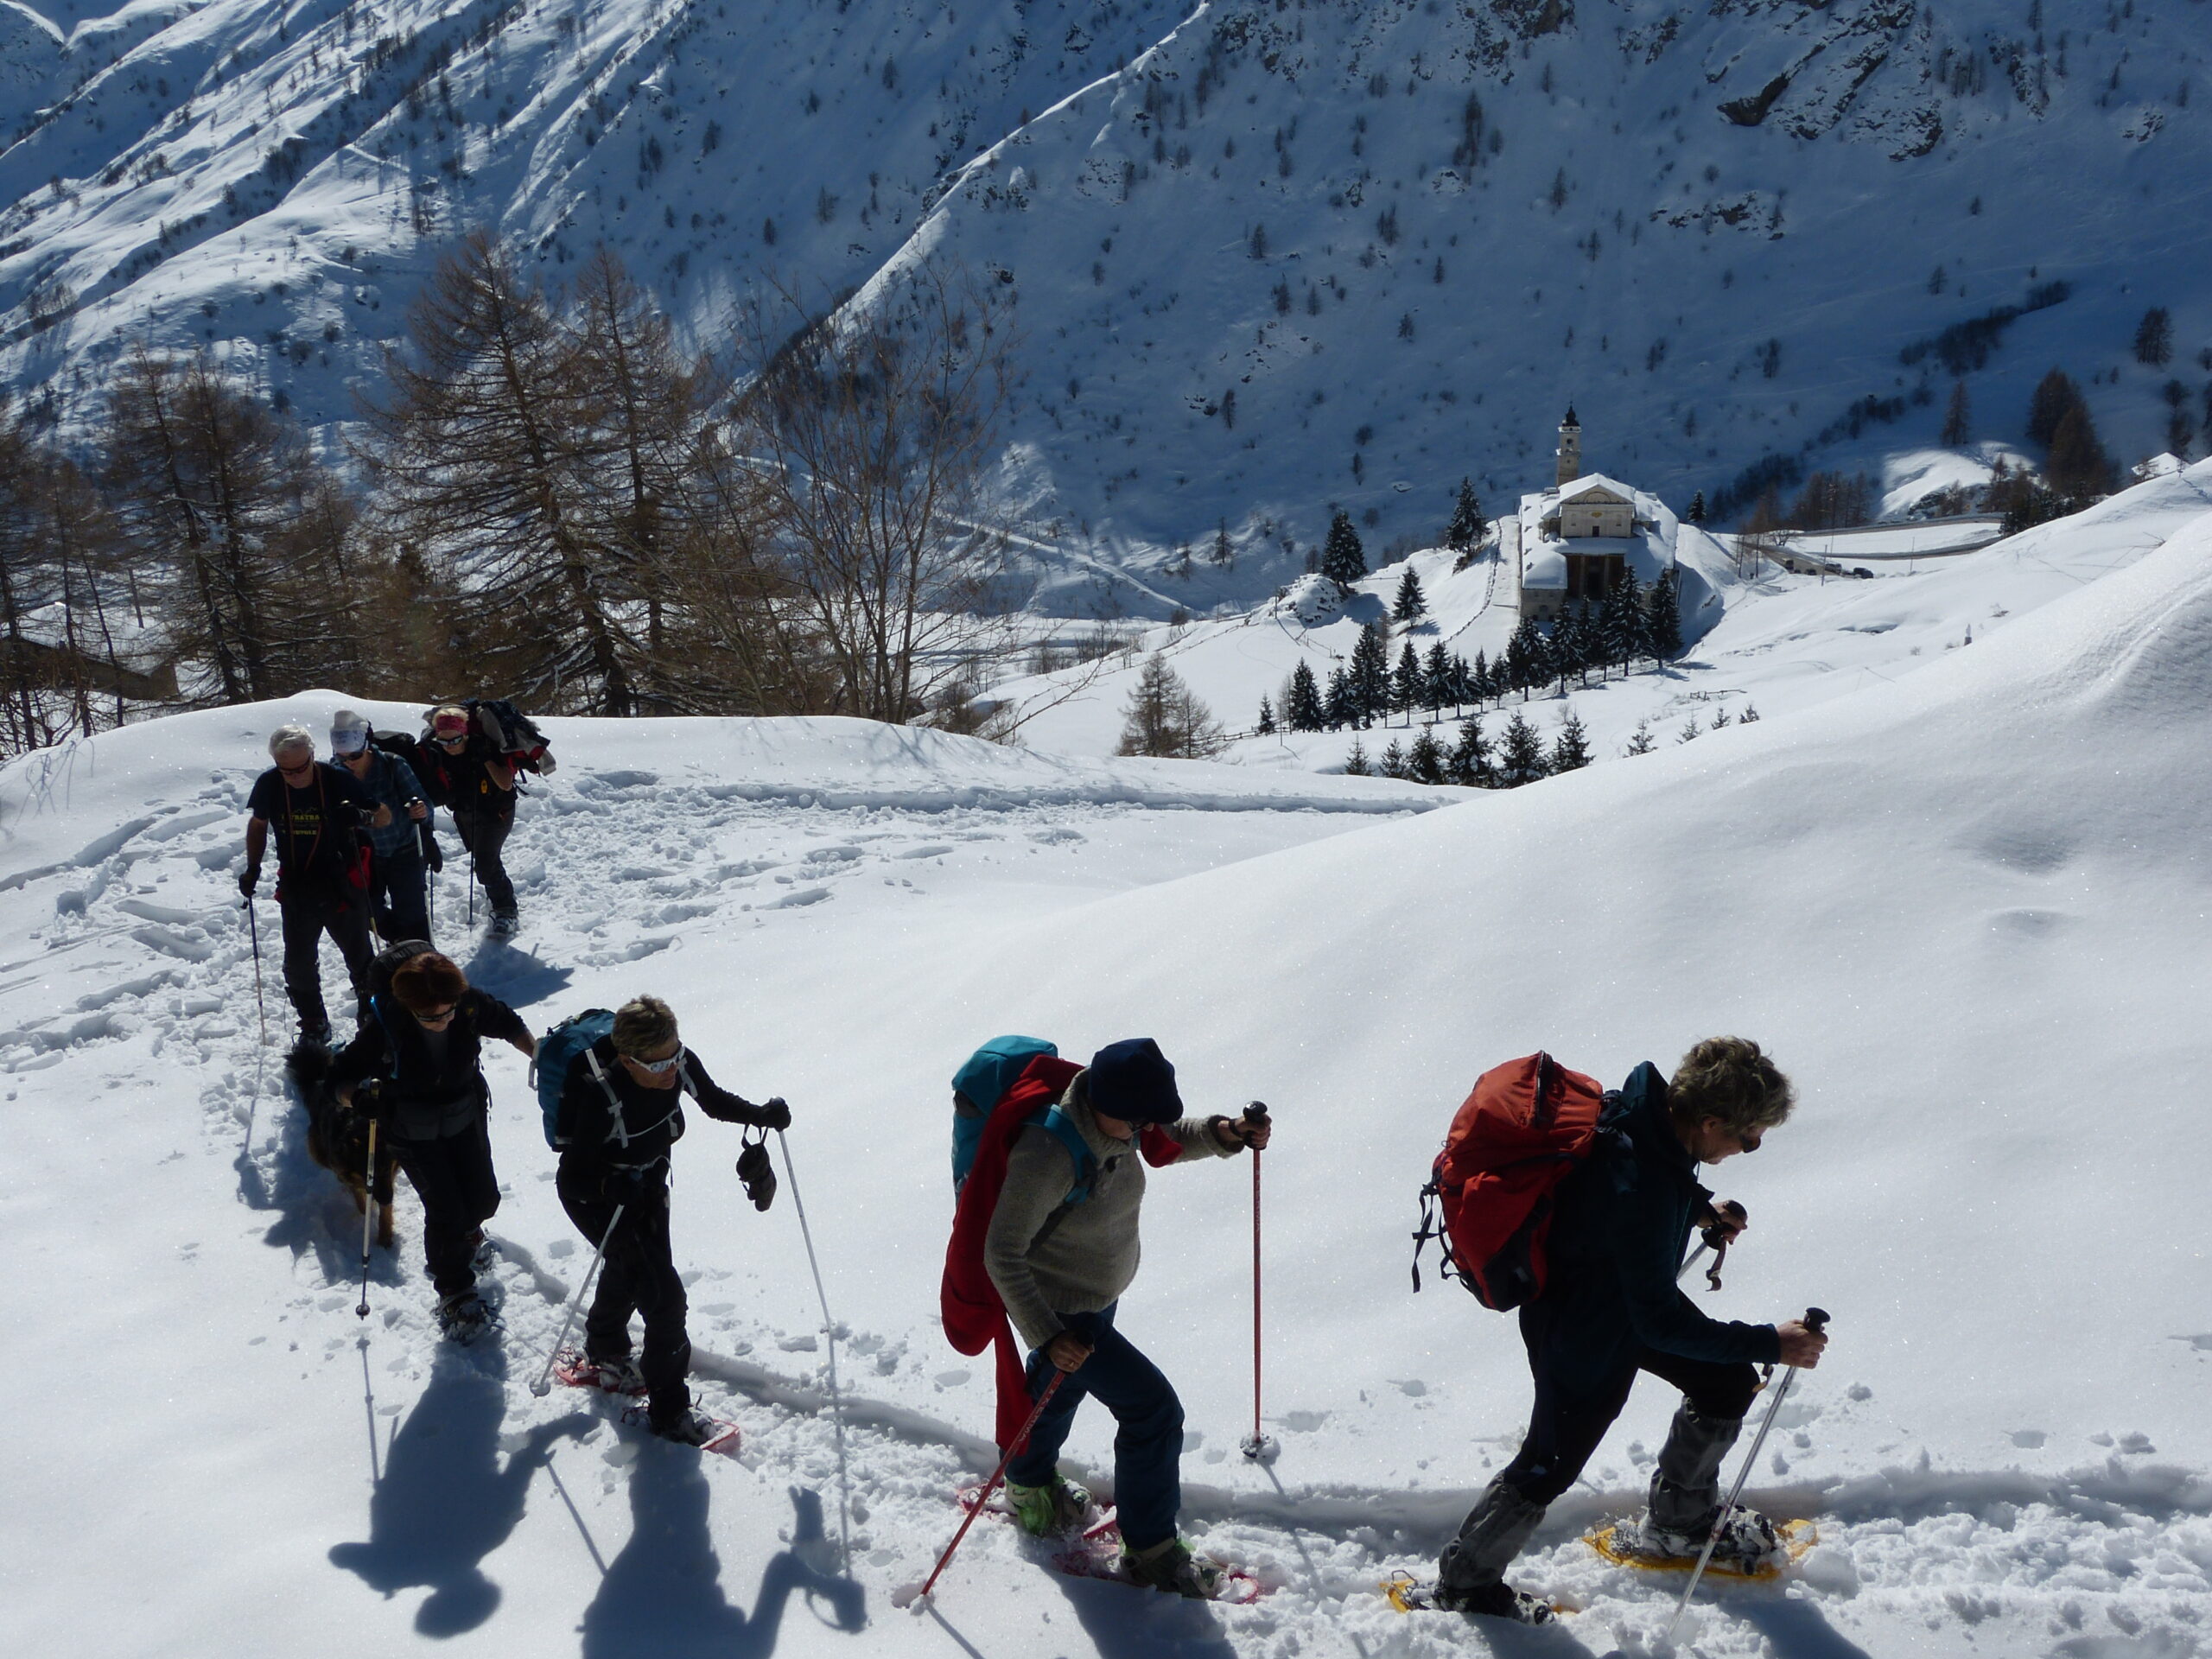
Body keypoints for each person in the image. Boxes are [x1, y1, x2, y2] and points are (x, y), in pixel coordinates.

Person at [1427, 1037, 1827, 1623]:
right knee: (1549, 1463)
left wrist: (1699, 1212)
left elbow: (1643, 1185)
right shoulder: (1643, 1184)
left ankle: (1682, 1525)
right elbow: (1658, 1315)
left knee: (1726, 1382)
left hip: (1619, 1301)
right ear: (1712, 1121)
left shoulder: (1647, 1119)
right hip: (1582, 1329)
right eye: (1749, 1136)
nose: (1752, 1146)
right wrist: (1771, 1342)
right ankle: (1465, 1584)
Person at [984, 1038, 1270, 1598]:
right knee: (1153, 1412)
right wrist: (1049, 1332)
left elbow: (1166, 1136)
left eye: (1147, 1121)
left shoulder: (1119, 1117)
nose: (1144, 1132)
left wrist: (1223, 1134)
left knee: (1058, 1389)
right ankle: (1152, 1551)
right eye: (1136, 1121)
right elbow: (1001, 1252)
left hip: (1097, 1294)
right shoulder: (1048, 1153)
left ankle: (1025, 1483)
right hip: (1065, 1309)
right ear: (1101, 1104)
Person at [552, 995, 793, 1444]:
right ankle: (669, 1413)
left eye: (675, 1056)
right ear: (627, 1060)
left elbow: (713, 1100)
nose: (671, 1071)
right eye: (659, 1065)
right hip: (598, 1200)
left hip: (648, 1186)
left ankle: (604, 1355)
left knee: (633, 1271)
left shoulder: (676, 1059)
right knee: (664, 1298)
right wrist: (608, 1187)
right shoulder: (597, 1088)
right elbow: (575, 1174)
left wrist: (761, 1115)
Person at [332, 950, 535, 1340]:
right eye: (430, 1017)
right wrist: (355, 1099)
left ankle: (467, 1236)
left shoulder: (467, 1003)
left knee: (482, 1200)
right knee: (445, 1210)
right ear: (410, 1007)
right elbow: (338, 1078)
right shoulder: (386, 1024)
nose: (442, 1021)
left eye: (448, 1013)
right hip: (410, 1127)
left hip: (463, 1112)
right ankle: (455, 1293)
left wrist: (540, 1054)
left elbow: (508, 1022)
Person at [241, 723, 388, 1047]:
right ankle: (313, 1024)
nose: (293, 776)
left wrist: (361, 817)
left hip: (342, 883)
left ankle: (371, 1017)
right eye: (286, 770)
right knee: (297, 964)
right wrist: (252, 868)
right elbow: (258, 823)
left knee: (361, 959)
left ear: (312, 755)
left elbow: (384, 816)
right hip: (297, 886)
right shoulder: (270, 783)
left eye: (300, 768)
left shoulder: (336, 779)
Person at [330, 710, 437, 945]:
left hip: (403, 849)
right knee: (367, 909)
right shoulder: (335, 773)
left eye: (354, 756)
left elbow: (424, 802)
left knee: (411, 911)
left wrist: (420, 811)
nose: (348, 763)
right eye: (342, 757)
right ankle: (400, 943)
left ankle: (423, 959)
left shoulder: (392, 764)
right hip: (364, 855)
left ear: (368, 746)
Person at [414, 704, 519, 938]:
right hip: (465, 812)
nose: (449, 747)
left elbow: (505, 783)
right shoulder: (435, 753)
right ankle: (497, 891)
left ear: (466, 734)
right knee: (484, 858)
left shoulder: (486, 748)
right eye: (444, 742)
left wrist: (485, 760)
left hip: (497, 811)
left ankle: (506, 909)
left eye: (455, 740)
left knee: (484, 862)